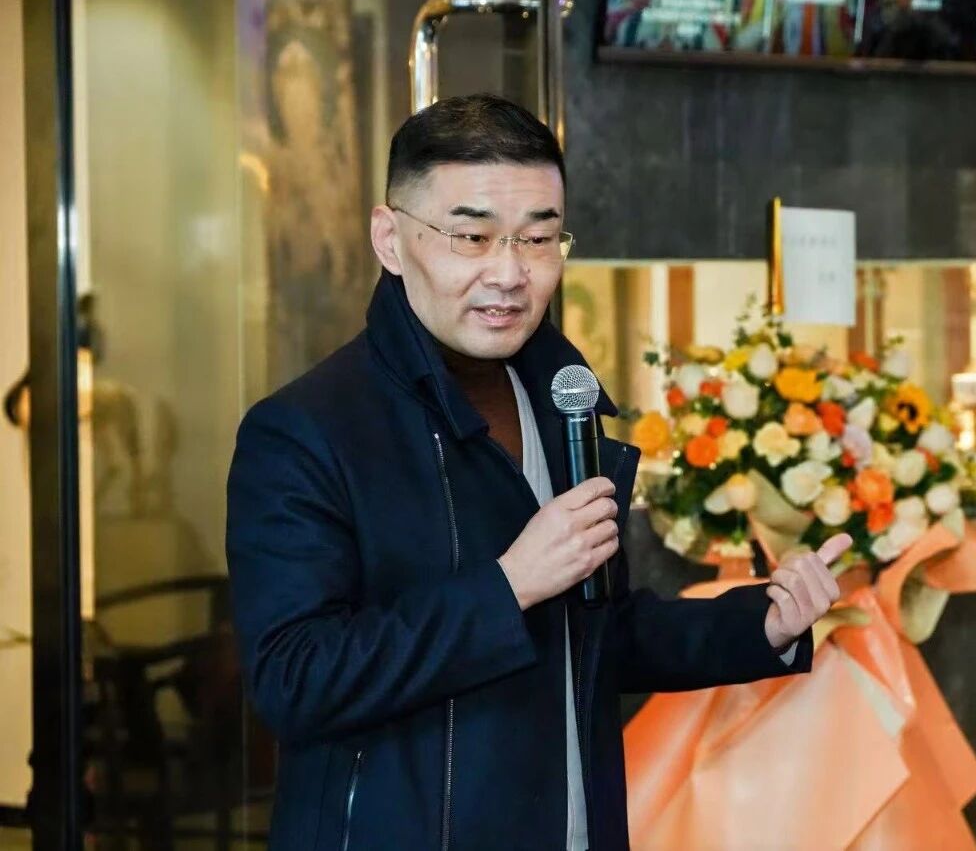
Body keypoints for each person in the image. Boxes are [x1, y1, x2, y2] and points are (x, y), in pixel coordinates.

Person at [225, 94, 850, 850]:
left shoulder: (561, 398)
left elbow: (596, 632)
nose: (510, 273)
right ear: (390, 239)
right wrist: (509, 584)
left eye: (539, 238)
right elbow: (294, 679)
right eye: (471, 237)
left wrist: (762, 624)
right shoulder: (305, 430)